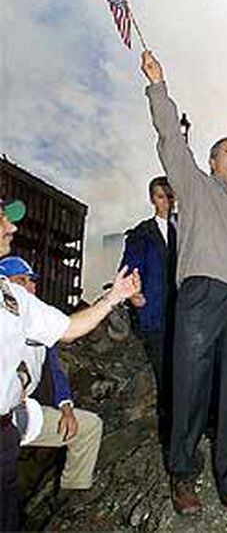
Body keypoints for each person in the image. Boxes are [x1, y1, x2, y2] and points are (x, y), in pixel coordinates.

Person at [140, 50, 227, 522]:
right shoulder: (194, 185)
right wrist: (159, 86)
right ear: (212, 159)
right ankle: (182, 476)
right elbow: (168, 142)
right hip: (201, 296)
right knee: (191, 387)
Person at [0, 197, 141, 531]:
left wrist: (113, 298)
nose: (13, 227)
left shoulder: (17, 301)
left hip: (7, 425)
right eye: (2, 219)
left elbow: (69, 330)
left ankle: (69, 506)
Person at [0, 256, 103, 497]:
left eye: (32, 281)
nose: (30, 287)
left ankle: (71, 498)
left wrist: (66, 409)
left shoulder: (39, 321)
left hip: (20, 416)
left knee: (88, 426)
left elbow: (56, 371)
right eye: (21, 281)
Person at [120, 176, 176, 452]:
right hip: (155, 315)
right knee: (166, 375)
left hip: (186, 317)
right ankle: (170, 435)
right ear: (152, 199)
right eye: (160, 195)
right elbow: (129, 268)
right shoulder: (142, 234)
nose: (166, 200)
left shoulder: (186, 230)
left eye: (169, 194)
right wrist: (133, 295)